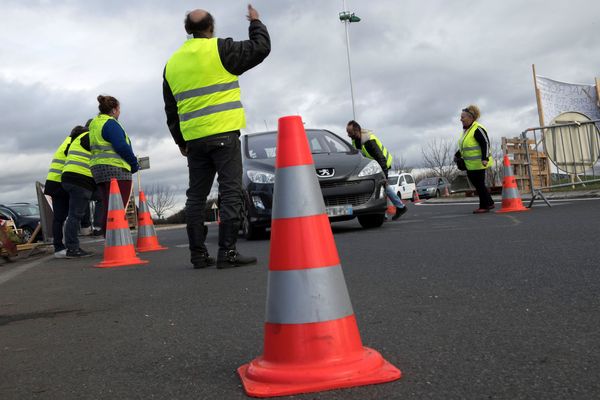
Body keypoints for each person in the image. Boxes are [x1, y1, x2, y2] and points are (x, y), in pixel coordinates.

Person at [163, 4, 270, 269]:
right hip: (224, 133)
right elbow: (260, 48)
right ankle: (227, 252)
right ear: (211, 28)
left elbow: (170, 107)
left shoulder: (172, 63)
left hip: (195, 141)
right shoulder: (221, 49)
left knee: (196, 197)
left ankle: (198, 255)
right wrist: (255, 22)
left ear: (187, 30)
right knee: (230, 191)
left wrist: (180, 140)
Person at [89, 95, 139, 234]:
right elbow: (121, 146)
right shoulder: (111, 123)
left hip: (99, 170)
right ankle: (117, 243)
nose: (119, 112)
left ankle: (110, 240)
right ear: (114, 110)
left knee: (108, 207)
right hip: (116, 169)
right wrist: (134, 164)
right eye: (119, 109)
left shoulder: (94, 124)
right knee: (118, 207)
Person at [346, 120, 408, 220]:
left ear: (357, 130)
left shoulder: (369, 141)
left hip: (382, 164)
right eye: (347, 132)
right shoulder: (355, 140)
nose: (348, 135)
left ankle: (399, 207)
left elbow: (381, 158)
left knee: (383, 186)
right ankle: (389, 212)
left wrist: (385, 176)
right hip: (373, 166)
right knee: (381, 188)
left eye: (350, 132)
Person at [61, 125, 95, 258]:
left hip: (70, 179)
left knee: (73, 215)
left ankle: (73, 245)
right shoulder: (86, 136)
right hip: (80, 180)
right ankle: (72, 248)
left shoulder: (73, 142)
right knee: (75, 215)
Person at [454, 105, 495, 213]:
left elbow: (485, 143)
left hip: (480, 163)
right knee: (478, 184)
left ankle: (484, 206)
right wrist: (458, 154)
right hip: (471, 164)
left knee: (479, 184)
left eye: (463, 117)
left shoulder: (477, 129)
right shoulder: (468, 130)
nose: (460, 119)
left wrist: (485, 158)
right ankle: (489, 202)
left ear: (470, 118)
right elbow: (466, 146)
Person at [44, 133, 73, 258]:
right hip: (59, 183)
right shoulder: (73, 142)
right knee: (61, 217)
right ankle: (60, 247)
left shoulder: (66, 141)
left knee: (59, 218)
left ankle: (59, 247)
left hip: (54, 182)